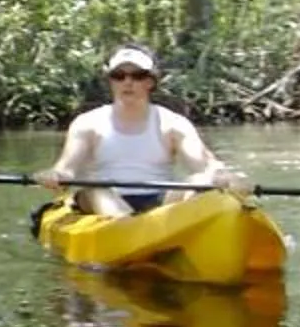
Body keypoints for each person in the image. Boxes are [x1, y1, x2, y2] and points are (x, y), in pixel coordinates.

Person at [34, 44, 250, 217]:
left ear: (150, 81)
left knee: (200, 180)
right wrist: (56, 176)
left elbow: (205, 165)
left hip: (160, 202)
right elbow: (67, 169)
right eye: (119, 75)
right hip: (102, 201)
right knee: (95, 188)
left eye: (137, 75)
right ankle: (128, 229)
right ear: (111, 81)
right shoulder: (87, 123)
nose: (128, 82)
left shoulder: (174, 123)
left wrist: (223, 176)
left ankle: (148, 229)